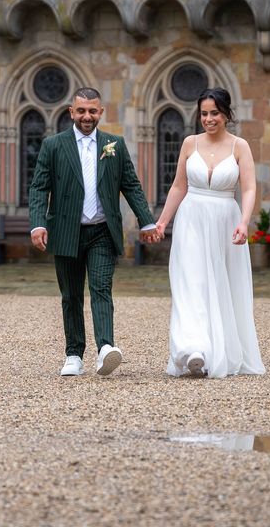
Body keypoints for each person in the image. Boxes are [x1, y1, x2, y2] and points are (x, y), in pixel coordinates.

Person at [29, 87, 159, 377]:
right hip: (65, 231)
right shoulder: (53, 145)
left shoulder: (115, 144)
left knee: (101, 289)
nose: (87, 116)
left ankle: (105, 349)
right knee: (71, 295)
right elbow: (39, 187)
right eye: (81, 110)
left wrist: (147, 221)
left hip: (102, 230)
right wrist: (38, 223)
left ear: (101, 112)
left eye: (93, 111)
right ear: (71, 112)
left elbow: (131, 185)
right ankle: (74, 354)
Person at [156, 87, 266, 379]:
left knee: (219, 285)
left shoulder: (239, 146)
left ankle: (219, 350)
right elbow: (179, 186)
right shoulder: (189, 143)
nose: (208, 119)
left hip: (225, 221)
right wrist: (163, 221)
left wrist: (244, 222)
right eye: (204, 114)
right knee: (191, 282)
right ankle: (194, 350)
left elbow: (249, 188)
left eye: (214, 113)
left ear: (226, 114)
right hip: (191, 219)